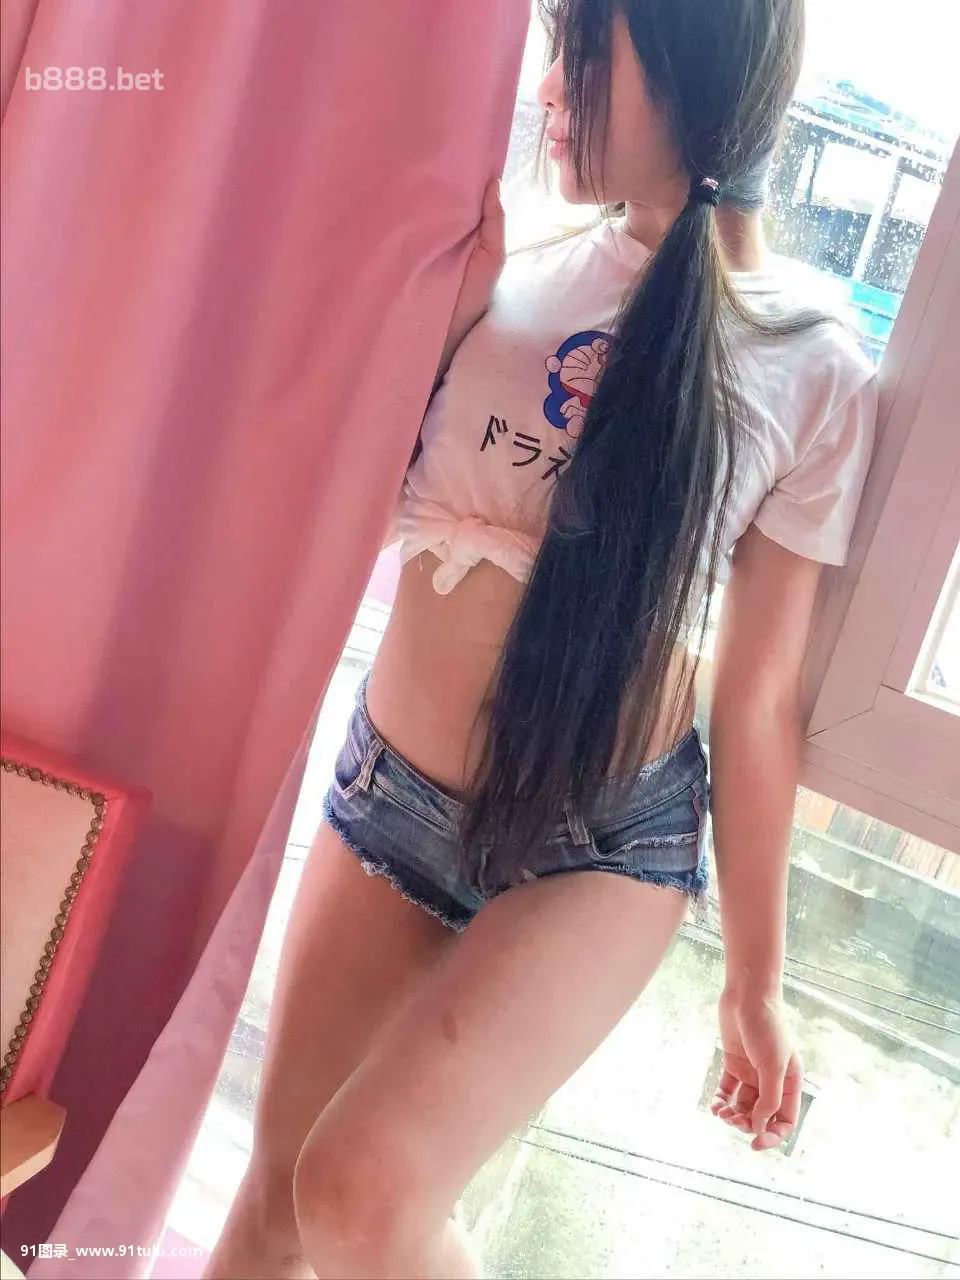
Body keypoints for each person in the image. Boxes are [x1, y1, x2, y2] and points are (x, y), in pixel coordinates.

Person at [205, 0, 877, 1276]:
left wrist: (755, 977)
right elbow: (338, 503)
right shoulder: (502, 261)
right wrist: (451, 303)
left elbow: (757, 696)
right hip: (394, 803)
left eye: (584, 43)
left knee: (359, 1192)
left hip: (600, 849)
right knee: (276, 1201)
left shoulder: (810, 359)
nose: (551, 81)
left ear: (686, 69)